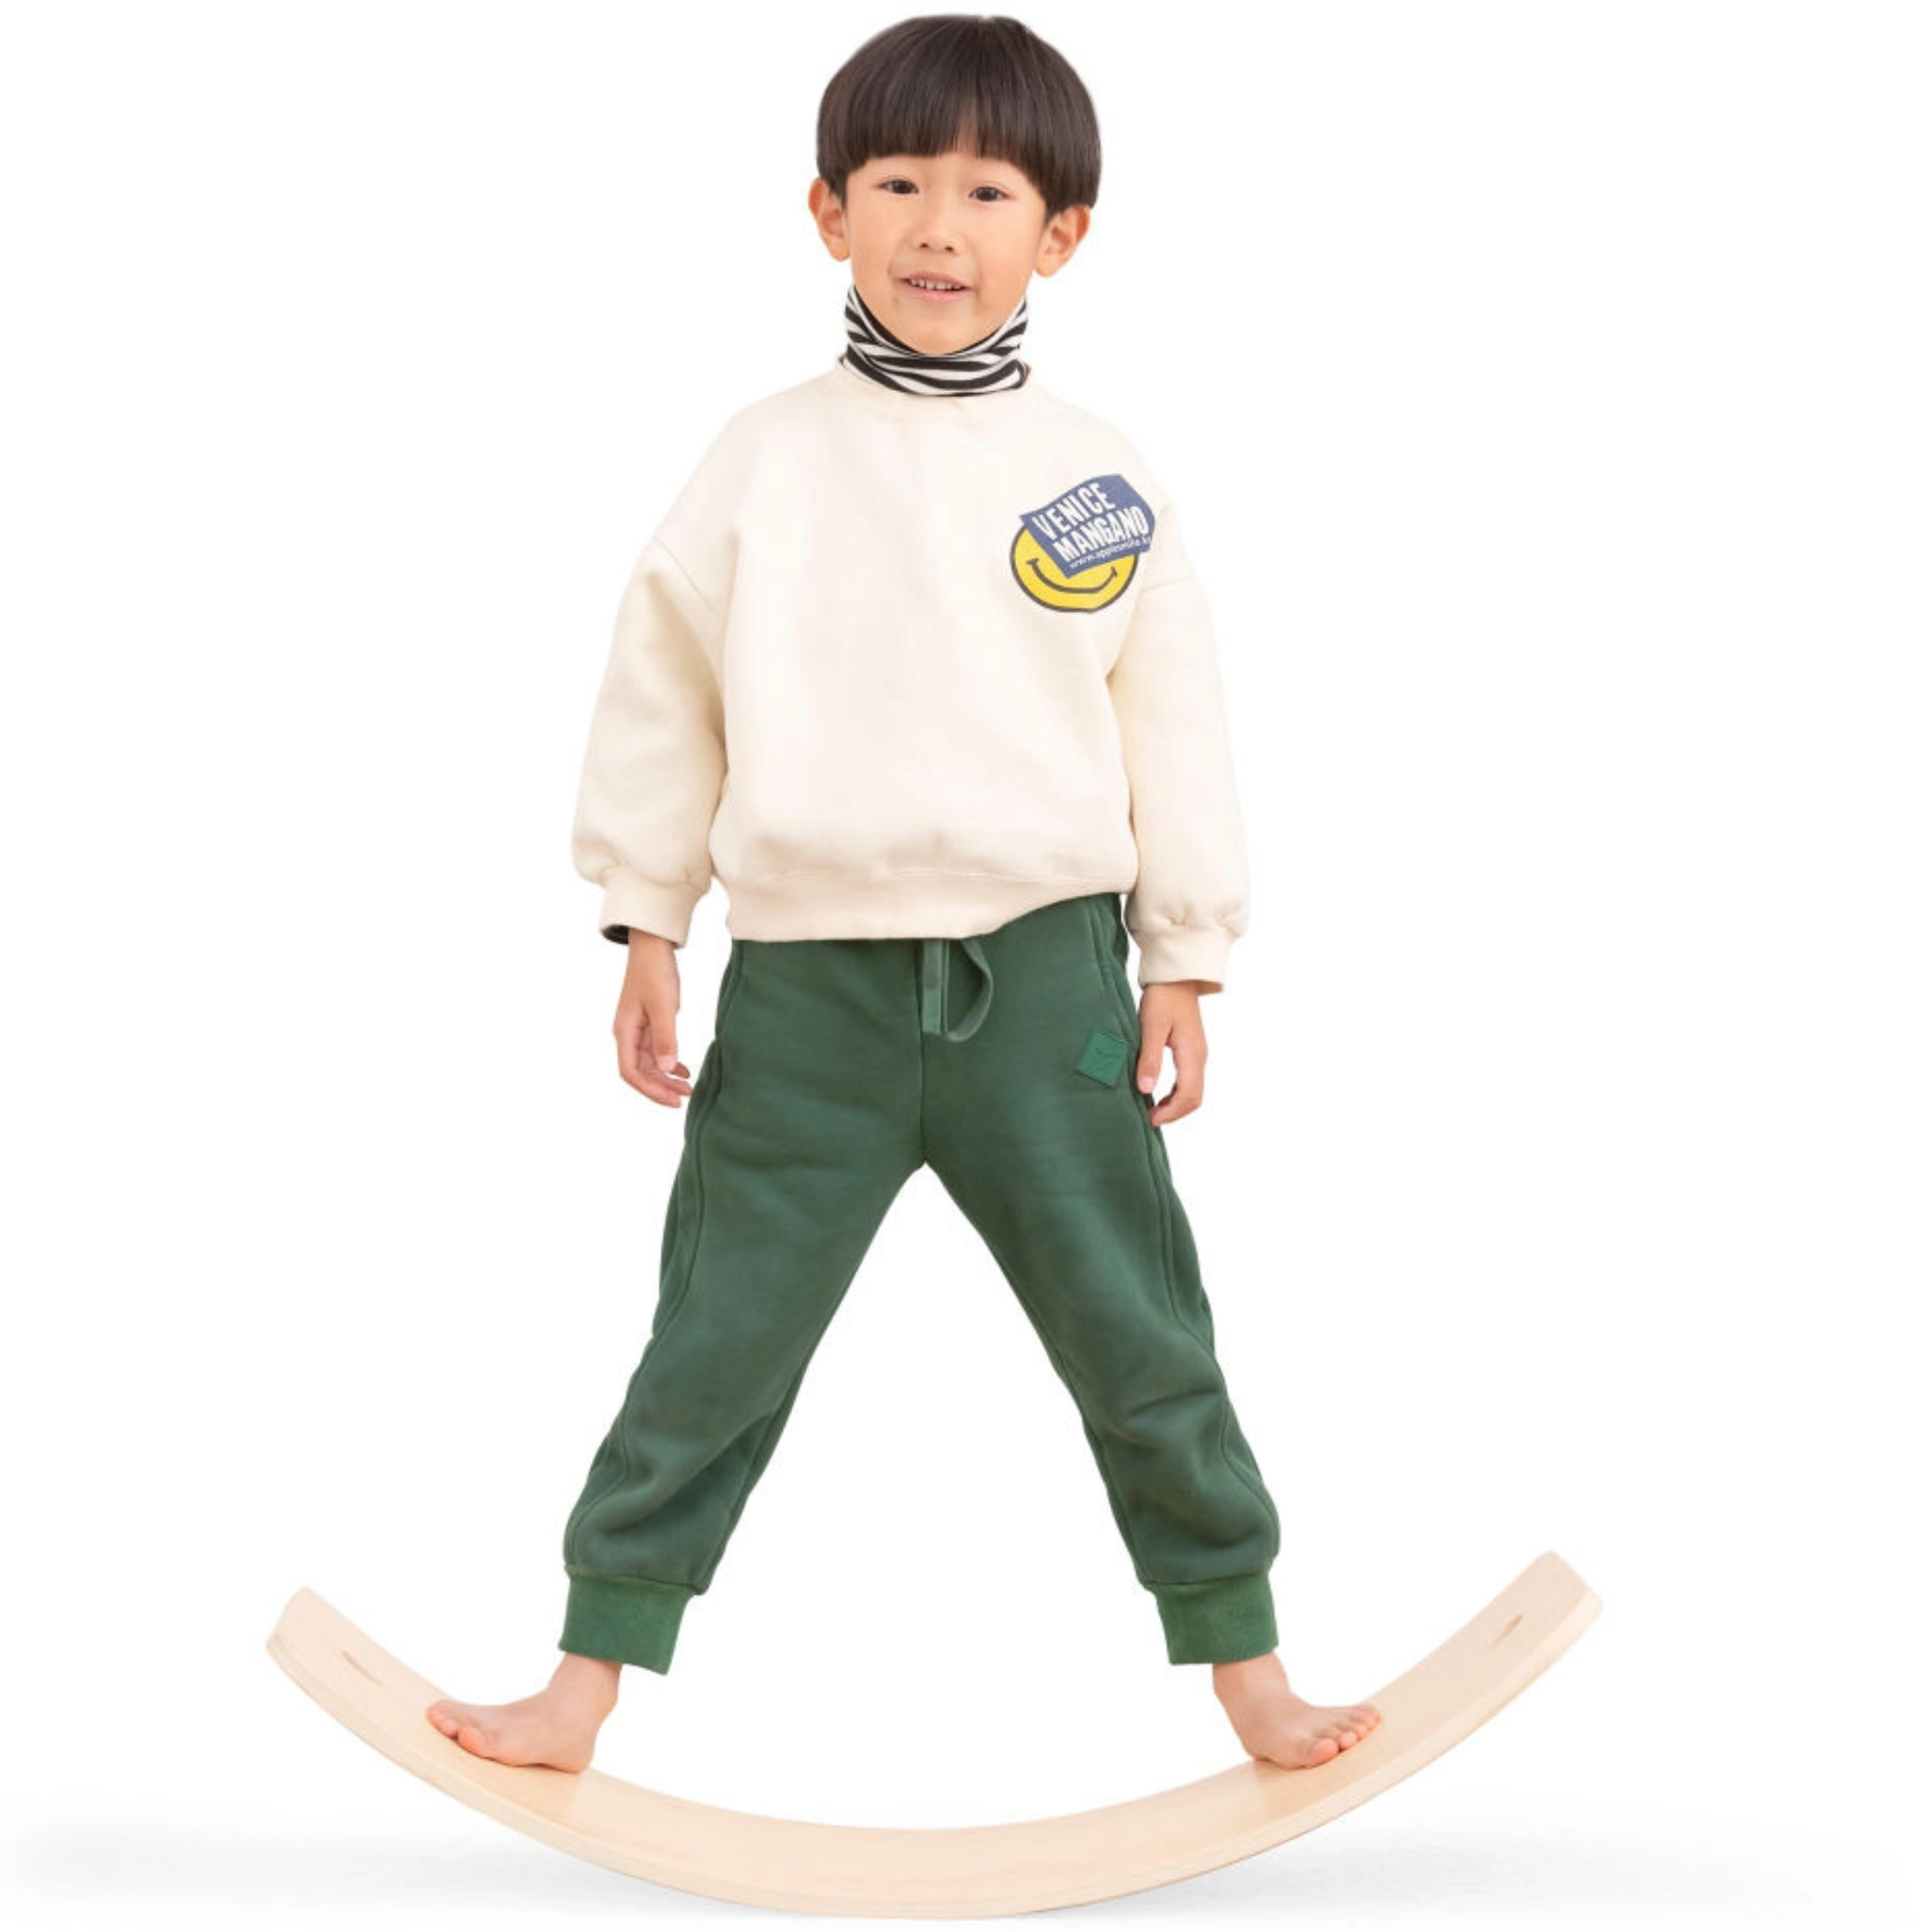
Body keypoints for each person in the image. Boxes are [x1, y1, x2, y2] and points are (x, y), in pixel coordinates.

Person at [427, 12, 1380, 1777]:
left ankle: (1247, 1663)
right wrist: (648, 919)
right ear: (828, 212)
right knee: (714, 1340)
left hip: (1049, 992)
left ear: (1060, 235)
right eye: (898, 186)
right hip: (809, 1001)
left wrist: (1184, 957)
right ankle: (585, 1677)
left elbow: (1171, 721)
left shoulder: (1097, 475)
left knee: (1138, 1329)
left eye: (989, 192)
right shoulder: (762, 459)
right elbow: (664, 695)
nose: (940, 228)